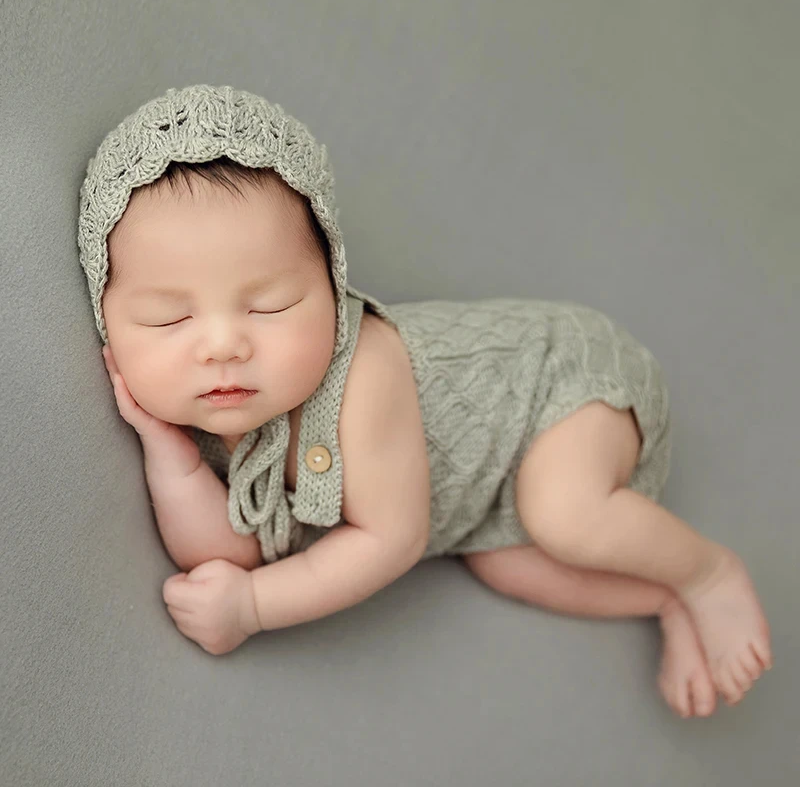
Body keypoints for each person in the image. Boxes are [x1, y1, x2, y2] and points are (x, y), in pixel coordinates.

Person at [78, 84, 772, 720]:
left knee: (563, 513)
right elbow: (229, 555)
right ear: (111, 327)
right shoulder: (201, 408)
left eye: (272, 304)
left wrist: (256, 609)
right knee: (510, 564)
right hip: (483, 496)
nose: (224, 345)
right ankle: (666, 596)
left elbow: (391, 539)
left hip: (561, 384)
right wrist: (170, 456)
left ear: (332, 283)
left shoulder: (364, 374)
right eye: (169, 319)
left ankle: (708, 571)